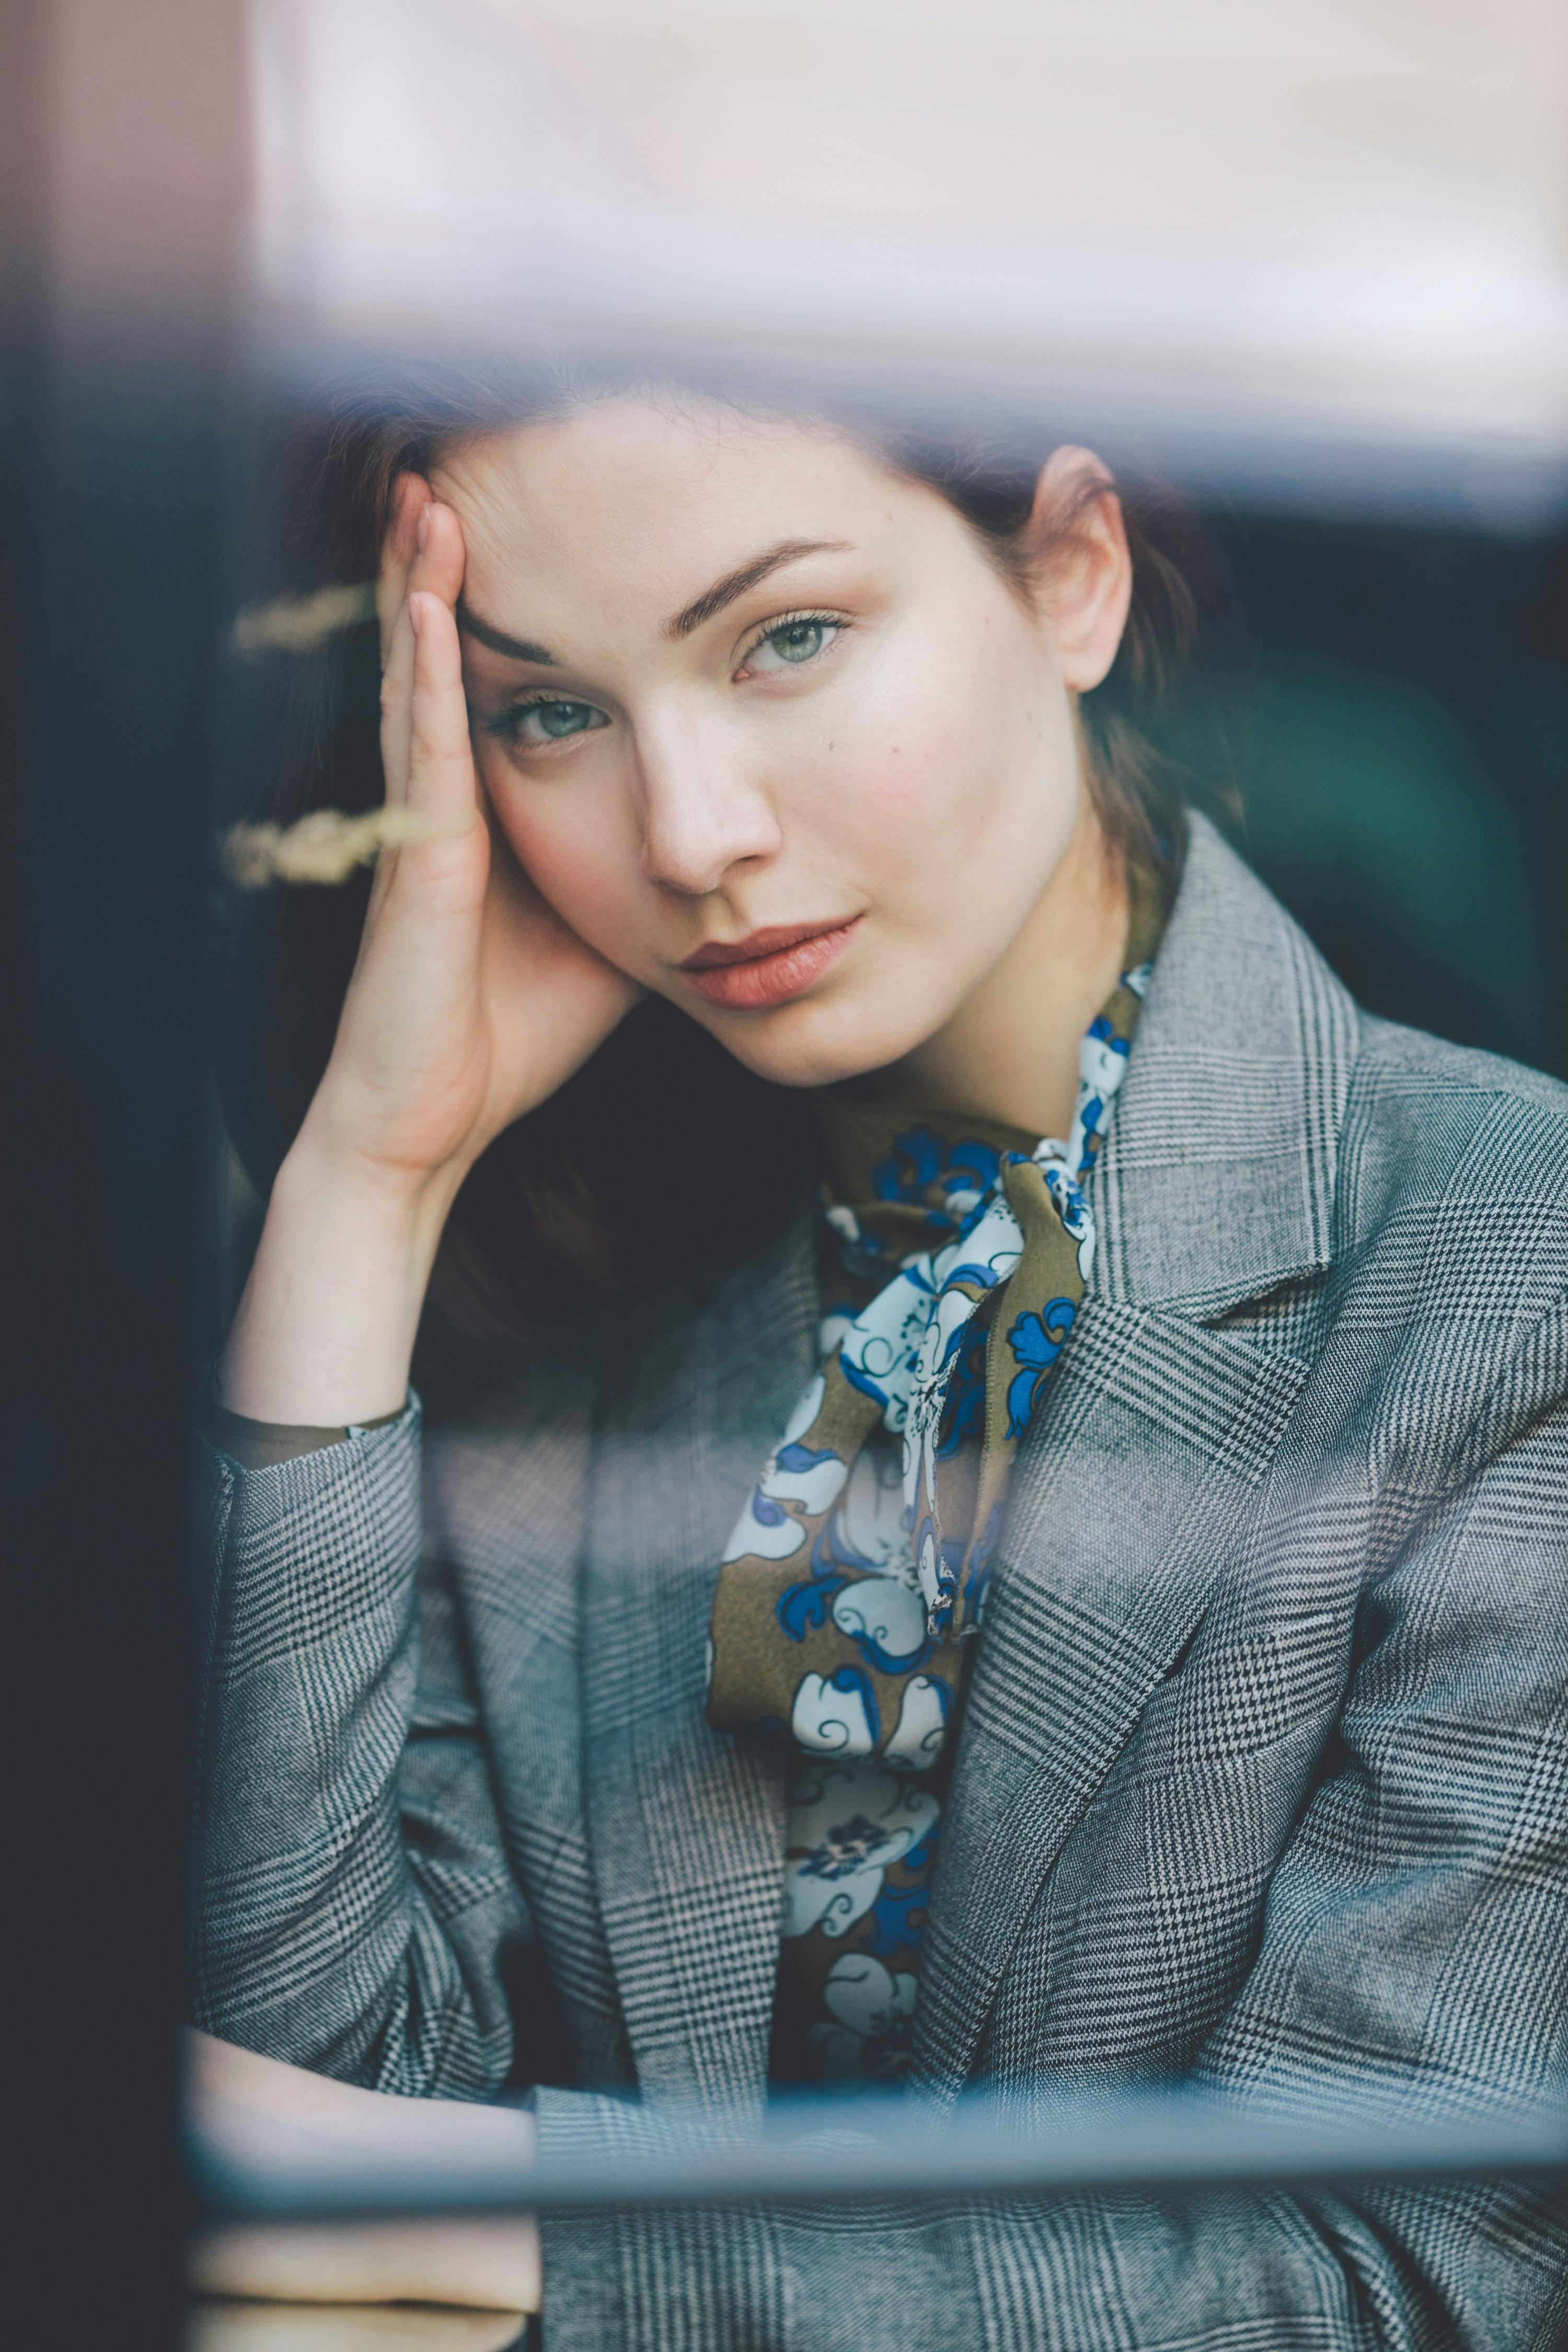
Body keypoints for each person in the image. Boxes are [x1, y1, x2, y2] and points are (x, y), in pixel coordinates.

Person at [191, 373, 1568, 2348]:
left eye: (790, 640)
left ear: (1072, 575)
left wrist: (520, 2215)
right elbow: (303, 2077)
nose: (693, 832)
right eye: (550, 712)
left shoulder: (1507, 1273)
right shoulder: (559, 1274)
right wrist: (370, 1182)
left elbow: (1383, 2283)